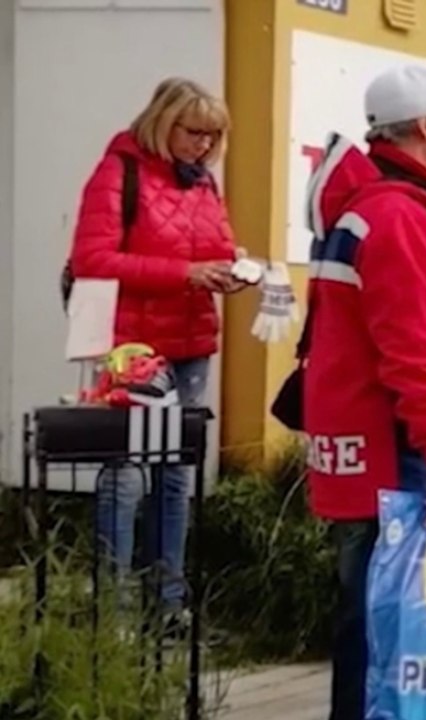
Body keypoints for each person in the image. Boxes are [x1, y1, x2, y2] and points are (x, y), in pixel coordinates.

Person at [299, 64, 426, 720]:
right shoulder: (400, 217)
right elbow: (416, 354)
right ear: (423, 128)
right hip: (402, 458)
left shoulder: (379, 208)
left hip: (381, 455)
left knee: (373, 632)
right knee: (391, 642)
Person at [69, 77, 240, 622]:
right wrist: (186, 273)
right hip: (132, 346)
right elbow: (93, 259)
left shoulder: (203, 184)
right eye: (196, 133)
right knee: (125, 473)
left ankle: (169, 601)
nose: (205, 147)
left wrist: (234, 270)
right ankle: (113, 602)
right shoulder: (119, 171)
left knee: (176, 472)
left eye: (214, 137)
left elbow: (218, 246)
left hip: (191, 340)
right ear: (164, 123)